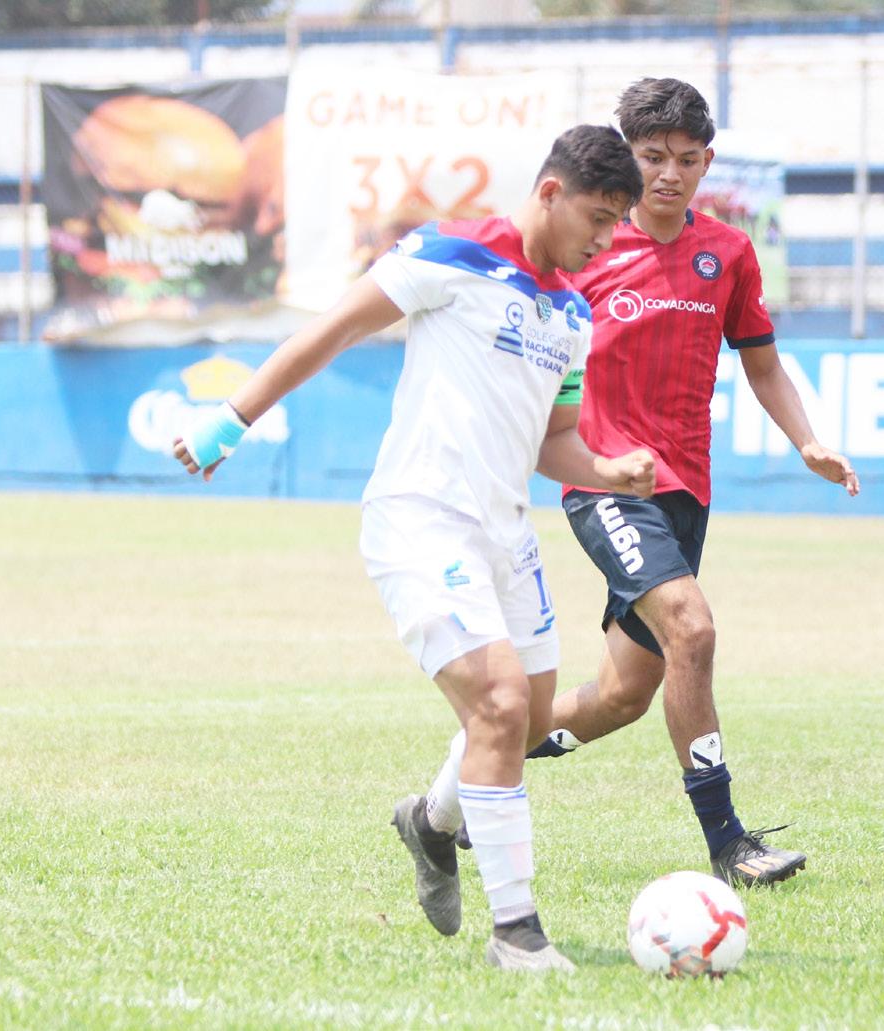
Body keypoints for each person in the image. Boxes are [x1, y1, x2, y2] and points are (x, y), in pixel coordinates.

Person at [174, 125, 654, 972]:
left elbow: (554, 441)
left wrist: (606, 470)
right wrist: (232, 418)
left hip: (506, 533)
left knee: (530, 719)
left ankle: (430, 821)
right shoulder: (453, 253)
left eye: (619, 222)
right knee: (499, 704)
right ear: (550, 193)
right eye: (600, 216)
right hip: (421, 516)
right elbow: (333, 330)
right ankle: (517, 933)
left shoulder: (571, 314)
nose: (608, 238)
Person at [521, 78, 858, 888]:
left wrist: (807, 440)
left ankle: (461, 784)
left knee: (621, 694)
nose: (668, 174)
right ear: (626, 157)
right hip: (603, 481)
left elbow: (763, 364)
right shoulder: (589, 249)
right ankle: (729, 842)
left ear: (707, 161)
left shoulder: (729, 254)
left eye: (685, 159)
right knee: (693, 629)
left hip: (685, 491)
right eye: (651, 157)